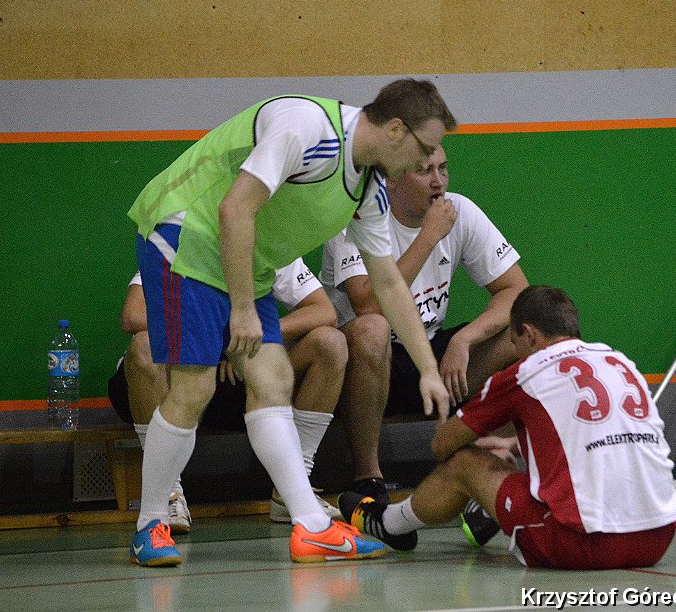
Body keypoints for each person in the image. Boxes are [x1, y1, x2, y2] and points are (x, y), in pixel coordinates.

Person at [125, 78, 456, 566]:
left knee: (273, 379)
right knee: (194, 388)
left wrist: (427, 367)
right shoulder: (307, 127)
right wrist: (242, 309)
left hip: (246, 259)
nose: (426, 163)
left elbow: (387, 283)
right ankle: (150, 523)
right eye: (425, 149)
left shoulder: (368, 187)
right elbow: (234, 208)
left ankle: (312, 528)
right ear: (394, 130)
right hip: (185, 235)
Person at [339, 286, 676, 570]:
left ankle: (388, 522)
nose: (516, 354)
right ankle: (487, 511)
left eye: (514, 345)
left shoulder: (527, 372)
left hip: (584, 545)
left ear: (528, 334)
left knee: (464, 464)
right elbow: (597, 433)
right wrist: (514, 444)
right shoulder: (619, 361)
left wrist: (477, 448)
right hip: (659, 537)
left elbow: (442, 446)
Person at [321, 145, 528, 505]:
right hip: (367, 363)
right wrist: (428, 236)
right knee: (372, 329)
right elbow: (369, 305)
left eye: (443, 169)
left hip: (431, 353)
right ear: (391, 179)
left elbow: (517, 292)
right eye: (424, 171)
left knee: (522, 334)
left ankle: (498, 464)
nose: (438, 182)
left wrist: (465, 339)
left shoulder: (460, 211)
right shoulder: (355, 216)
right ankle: (368, 477)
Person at [107, 259, 345, 534]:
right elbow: (134, 315)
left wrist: (256, 336)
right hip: (178, 380)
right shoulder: (180, 243)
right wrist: (220, 340)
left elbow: (324, 311)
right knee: (143, 345)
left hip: (242, 376)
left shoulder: (270, 246)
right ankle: (167, 496)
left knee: (330, 343)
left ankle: (293, 489)